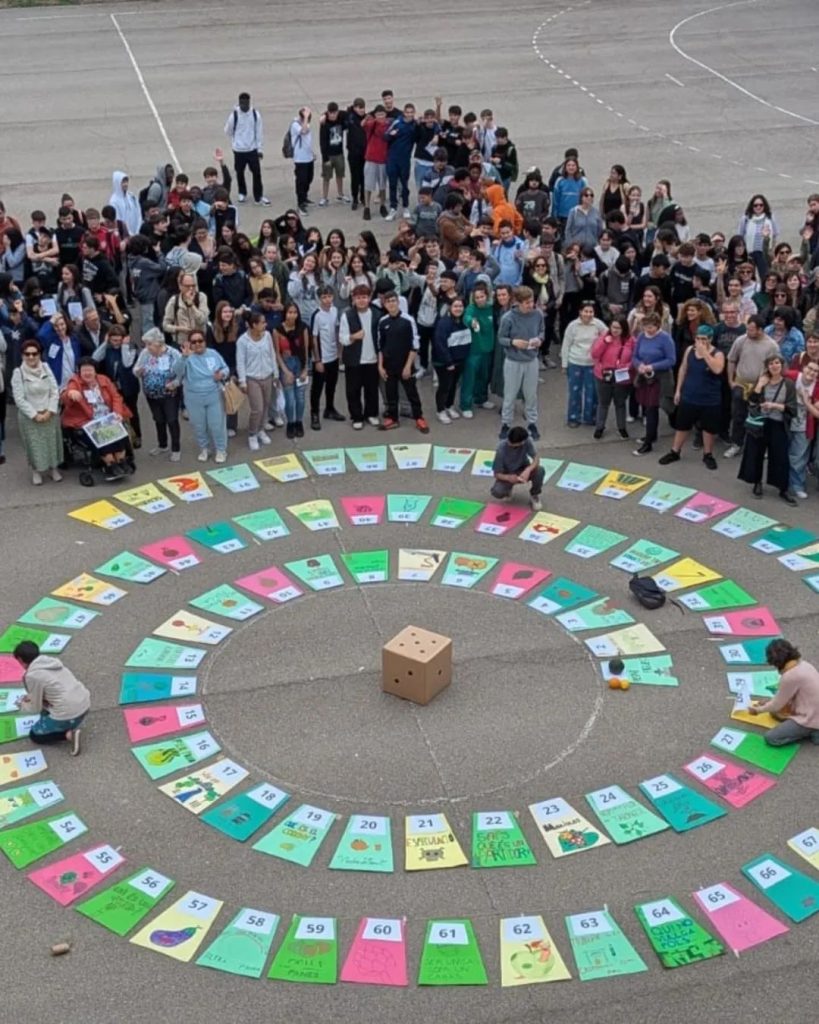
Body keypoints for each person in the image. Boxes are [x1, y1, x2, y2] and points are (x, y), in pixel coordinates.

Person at [658, 324, 725, 469]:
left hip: (710, 399)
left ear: (710, 339)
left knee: (708, 429)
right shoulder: (690, 350)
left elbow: (717, 369)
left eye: (704, 339)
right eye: (698, 338)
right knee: (682, 425)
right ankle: (675, 451)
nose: (700, 342)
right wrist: (678, 390)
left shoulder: (717, 354)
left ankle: (708, 454)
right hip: (689, 396)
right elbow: (683, 369)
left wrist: (705, 353)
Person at [738, 353, 797, 503]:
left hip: (778, 424)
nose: (774, 366)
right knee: (756, 454)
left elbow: (792, 409)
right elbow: (751, 401)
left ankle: (782, 488)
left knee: (780, 457)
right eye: (771, 364)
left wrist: (774, 405)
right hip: (760, 423)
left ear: (782, 365)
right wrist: (759, 385)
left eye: (777, 363)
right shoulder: (762, 381)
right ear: (767, 367)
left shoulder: (789, 384)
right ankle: (757, 483)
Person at [61, 357, 134, 479]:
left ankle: (121, 461)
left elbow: (116, 397)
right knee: (102, 436)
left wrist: (117, 413)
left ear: (95, 371)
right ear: (79, 372)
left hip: (107, 418)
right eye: (84, 370)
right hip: (86, 422)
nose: (87, 373)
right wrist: (70, 394)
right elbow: (66, 396)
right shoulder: (75, 382)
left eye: (90, 370)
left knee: (119, 432)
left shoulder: (104, 380)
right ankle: (110, 464)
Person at [13, 641, 90, 756]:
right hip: (84, 705)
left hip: (70, 714)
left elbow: (35, 708)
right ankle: (65, 724)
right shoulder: (52, 662)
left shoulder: (32, 675)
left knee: (35, 735)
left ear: (20, 660)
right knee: (46, 710)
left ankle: (69, 735)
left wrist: (21, 704)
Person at [725, 315, 780, 458]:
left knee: (760, 418)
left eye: (751, 330)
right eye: (747, 329)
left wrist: (764, 384)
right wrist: (731, 380)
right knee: (738, 416)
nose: (748, 332)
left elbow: (775, 367)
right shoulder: (741, 340)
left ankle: (762, 446)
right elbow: (731, 360)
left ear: (760, 330)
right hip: (741, 384)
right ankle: (736, 444)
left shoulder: (771, 345)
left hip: (762, 386)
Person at [11, 339, 63, 485]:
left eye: (34, 353)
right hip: (30, 417)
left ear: (39, 354)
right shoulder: (18, 373)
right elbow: (19, 399)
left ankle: (54, 469)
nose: (31, 357)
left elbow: (54, 390)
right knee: (34, 446)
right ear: (22, 355)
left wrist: (50, 411)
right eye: (27, 354)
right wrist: (35, 415)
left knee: (52, 443)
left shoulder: (46, 367)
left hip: (49, 414)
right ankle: (36, 471)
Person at [749, 639, 819, 747]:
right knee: (775, 713)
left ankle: (812, 731)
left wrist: (757, 710)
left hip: (811, 717)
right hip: (812, 709)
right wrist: (769, 704)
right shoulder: (804, 664)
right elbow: (784, 698)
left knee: (771, 737)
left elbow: (777, 705)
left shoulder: (790, 676)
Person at [376, 291, 429, 432]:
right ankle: (393, 418)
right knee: (391, 393)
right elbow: (380, 346)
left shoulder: (408, 320)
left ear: (398, 302)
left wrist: (408, 366)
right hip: (388, 365)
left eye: (393, 301)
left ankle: (419, 418)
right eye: (388, 302)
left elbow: (415, 345)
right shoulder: (383, 322)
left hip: (405, 364)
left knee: (412, 393)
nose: (391, 304)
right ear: (384, 304)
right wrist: (380, 366)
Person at [176, 329, 229, 462]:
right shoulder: (186, 357)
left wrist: (221, 374)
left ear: (205, 342)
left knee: (216, 425)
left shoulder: (213, 354)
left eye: (200, 341)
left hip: (213, 394)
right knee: (199, 426)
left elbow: (226, 368)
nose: (198, 344)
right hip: (193, 398)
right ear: (190, 344)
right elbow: (177, 372)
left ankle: (221, 450)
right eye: (194, 342)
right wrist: (183, 358)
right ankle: (204, 449)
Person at [498, 285, 544, 440]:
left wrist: (540, 340)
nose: (531, 305)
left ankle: (532, 423)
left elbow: (542, 331)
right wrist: (513, 342)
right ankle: (506, 424)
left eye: (532, 301)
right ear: (518, 302)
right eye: (527, 303)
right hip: (513, 361)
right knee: (510, 395)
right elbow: (501, 338)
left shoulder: (537, 314)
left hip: (531, 360)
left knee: (531, 395)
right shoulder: (508, 318)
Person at [134, 328, 182, 461]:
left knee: (172, 420)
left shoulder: (173, 353)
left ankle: (176, 449)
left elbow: (183, 372)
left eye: (150, 344)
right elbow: (135, 369)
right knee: (159, 419)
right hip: (151, 394)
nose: (147, 347)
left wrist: (175, 383)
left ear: (159, 343)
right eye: (146, 344)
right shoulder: (145, 353)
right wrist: (138, 371)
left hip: (169, 393)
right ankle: (162, 445)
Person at [631, 312, 675, 455]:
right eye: (646, 327)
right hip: (644, 377)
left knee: (651, 408)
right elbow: (635, 356)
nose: (648, 330)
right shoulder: (641, 336)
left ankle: (648, 443)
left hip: (659, 378)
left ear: (658, 325)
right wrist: (639, 365)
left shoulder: (665, 338)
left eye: (651, 327)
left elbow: (671, 360)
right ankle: (652, 435)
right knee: (646, 406)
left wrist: (652, 366)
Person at [236, 311, 277, 451]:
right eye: (262, 322)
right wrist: (242, 381)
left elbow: (272, 354)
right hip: (252, 378)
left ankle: (261, 430)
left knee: (266, 405)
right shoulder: (242, 341)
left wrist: (275, 373)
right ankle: (252, 434)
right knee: (257, 409)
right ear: (254, 325)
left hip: (268, 376)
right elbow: (240, 362)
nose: (265, 324)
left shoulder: (267, 336)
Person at [562, 300, 607, 427]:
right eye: (585, 311)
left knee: (592, 391)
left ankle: (590, 417)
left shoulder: (598, 324)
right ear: (580, 312)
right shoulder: (573, 326)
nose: (588, 314)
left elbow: (608, 336)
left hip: (592, 363)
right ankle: (573, 417)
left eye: (591, 312)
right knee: (575, 391)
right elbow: (566, 345)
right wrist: (564, 365)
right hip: (575, 362)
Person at [591, 315, 633, 439]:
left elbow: (636, 358)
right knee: (603, 403)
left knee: (620, 403)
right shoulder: (603, 338)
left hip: (621, 375)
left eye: (618, 328)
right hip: (604, 375)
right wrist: (604, 342)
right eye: (613, 327)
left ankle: (622, 427)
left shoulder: (631, 341)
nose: (615, 330)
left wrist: (626, 366)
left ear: (624, 329)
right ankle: (599, 427)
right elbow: (594, 354)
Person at [432, 295, 472, 422]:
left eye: (460, 306)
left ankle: (449, 406)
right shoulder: (444, 323)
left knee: (453, 385)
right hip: (443, 362)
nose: (458, 308)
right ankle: (440, 410)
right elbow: (440, 344)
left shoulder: (463, 322)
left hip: (459, 360)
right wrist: (448, 361)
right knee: (444, 386)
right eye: (455, 306)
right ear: (450, 307)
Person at [224, 92, 269, 205]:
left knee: (257, 173)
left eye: (246, 103)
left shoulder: (255, 115)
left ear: (249, 102)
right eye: (242, 103)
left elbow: (259, 133)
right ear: (239, 103)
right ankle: (242, 192)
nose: (244, 106)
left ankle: (258, 196)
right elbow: (228, 131)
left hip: (252, 149)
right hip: (239, 150)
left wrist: (259, 149)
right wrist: (236, 141)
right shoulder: (234, 115)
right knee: (239, 172)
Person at [274, 301, 310, 438]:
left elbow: (306, 350)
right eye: (290, 312)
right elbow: (277, 353)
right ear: (285, 314)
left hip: (300, 363)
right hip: (286, 364)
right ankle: (290, 423)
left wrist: (306, 369)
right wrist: (285, 371)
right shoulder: (277, 330)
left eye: (295, 312)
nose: (292, 315)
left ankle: (299, 422)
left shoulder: (303, 328)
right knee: (289, 398)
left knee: (300, 397)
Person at [310, 285, 344, 429]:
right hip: (321, 358)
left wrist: (339, 352)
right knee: (317, 388)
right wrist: (317, 360)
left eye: (329, 296)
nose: (327, 300)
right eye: (324, 297)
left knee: (331, 386)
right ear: (319, 299)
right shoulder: (316, 315)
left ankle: (329, 409)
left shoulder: (335, 310)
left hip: (333, 356)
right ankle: (314, 414)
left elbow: (337, 330)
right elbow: (313, 338)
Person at [460, 282, 496, 417]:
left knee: (484, 377)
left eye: (482, 297)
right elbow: (466, 317)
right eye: (477, 297)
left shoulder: (491, 308)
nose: (480, 299)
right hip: (474, 350)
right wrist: (472, 322)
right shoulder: (471, 308)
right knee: (469, 378)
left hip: (488, 349)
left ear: (487, 296)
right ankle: (465, 405)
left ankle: (481, 399)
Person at [491, 425, 544, 511]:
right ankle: (507, 491)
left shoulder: (527, 440)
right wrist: (508, 478)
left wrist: (528, 470)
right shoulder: (501, 449)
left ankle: (534, 495)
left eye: (514, 445)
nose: (510, 445)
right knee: (497, 492)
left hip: (523, 468)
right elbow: (496, 474)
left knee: (540, 470)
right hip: (507, 472)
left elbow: (536, 458)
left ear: (522, 442)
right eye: (510, 443)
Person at [788, 359, 819, 499]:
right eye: (810, 368)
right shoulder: (793, 375)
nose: (812, 372)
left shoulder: (817, 387)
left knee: (799, 456)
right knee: (784, 453)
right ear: (804, 367)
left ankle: (797, 485)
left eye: (816, 371)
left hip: (804, 426)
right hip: (786, 422)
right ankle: (783, 482)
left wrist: (806, 401)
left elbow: (817, 412)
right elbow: (773, 373)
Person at [318, 102, 350, 207]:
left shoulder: (341, 119)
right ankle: (324, 197)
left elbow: (347, 113)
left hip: (339, 153)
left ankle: (340, 194)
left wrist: (324, 114)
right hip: (328, 155)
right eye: (330, 113)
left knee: (340, 175)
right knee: (326, 177)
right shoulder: (324, 124)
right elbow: (322, 142)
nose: (332, 115)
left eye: (334, 113)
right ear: (328, 113)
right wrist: (325, 158)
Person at [289, 107, 316, 213]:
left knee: (309, 178)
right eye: (307, 117)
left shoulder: (306, 123)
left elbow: (307, 140)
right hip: (300, 159)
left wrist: (312, 153)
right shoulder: (295, 125)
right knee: (301, 181)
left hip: (308, 157)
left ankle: (304, 197)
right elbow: (304, 131)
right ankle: (300, 203)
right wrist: (305, 117)